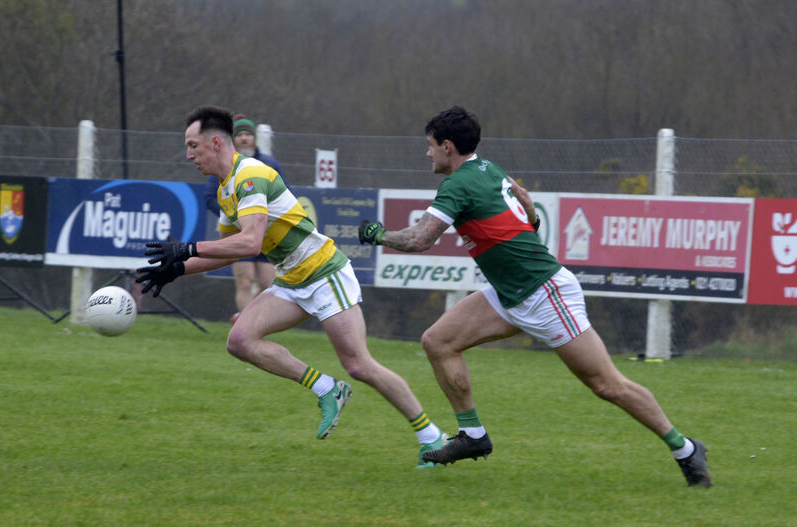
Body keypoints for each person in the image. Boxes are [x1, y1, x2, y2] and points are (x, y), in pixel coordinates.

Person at [358, 106, 711, 486]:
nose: (427, 153)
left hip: (545, 294)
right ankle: (473, 435)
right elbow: (526, 203)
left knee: (607, 385)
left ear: (447, 146)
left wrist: (378, 234)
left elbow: (419, 239)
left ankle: (686, 449)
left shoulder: (457, 185)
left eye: (429, 146)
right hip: (511, 293)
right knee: (438, 342)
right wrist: (531, 224)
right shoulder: (489, 169)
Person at [137, 105, 445, 468]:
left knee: (359, 365)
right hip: (292, 280)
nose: (188, 154)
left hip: (325, 274)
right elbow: (228, 253)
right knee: (240, 341)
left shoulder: (251, 176)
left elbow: (250, 243)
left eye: (192, 145)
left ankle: (432, 436)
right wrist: (177, 269)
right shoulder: (225, 190)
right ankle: (326, 388)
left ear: (215, 141)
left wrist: (188, 248)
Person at [203, 114, 286, 322]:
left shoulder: (269, 164)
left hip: (266, 233)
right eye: (240, 135)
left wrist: (263, 216)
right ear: (233, 140)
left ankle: (245, 317)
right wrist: (235, 216)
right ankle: (247, 327)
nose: (245, 139)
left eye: (248, 134)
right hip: (240, 233)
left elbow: (284, 194)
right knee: (245, 281)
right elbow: (210, 198)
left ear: (254, 138)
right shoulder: (224, 165)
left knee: (270, 286)